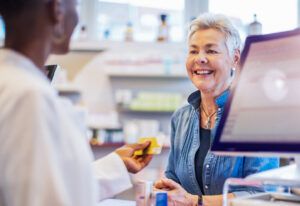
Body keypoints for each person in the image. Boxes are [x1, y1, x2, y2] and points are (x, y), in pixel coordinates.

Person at [0, 0, 152, 205]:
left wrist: (116, 164)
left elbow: (51, 181)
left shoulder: (12, 81)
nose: (78, 18)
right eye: (77, 5)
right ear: (57, 10)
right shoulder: (29, 97)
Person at [154, 13, 279, 206]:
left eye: (211, 51)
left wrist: (196, 202)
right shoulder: (181, 118)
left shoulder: (256, 118)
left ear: (235, 58)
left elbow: (261, 193)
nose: (200, 59)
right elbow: (173, 179)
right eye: (193, 51)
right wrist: (164, 192)